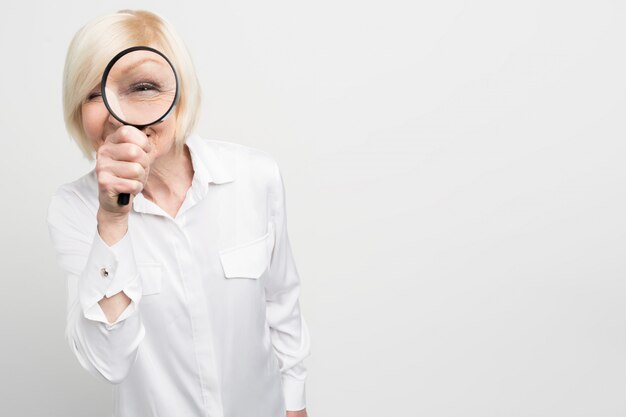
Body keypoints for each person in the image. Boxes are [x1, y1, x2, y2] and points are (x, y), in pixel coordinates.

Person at [46, 9, 311, 417]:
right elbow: (109, 362)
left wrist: (295, 405)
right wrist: (113, 220)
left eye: (144, 87)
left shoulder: (256, 178)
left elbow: (282, 303)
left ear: (179, 95)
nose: (118, 113)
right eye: (95, 94)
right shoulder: (75, 208)